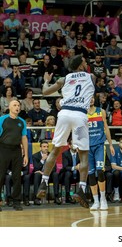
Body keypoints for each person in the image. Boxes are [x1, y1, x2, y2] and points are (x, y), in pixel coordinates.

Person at [35, 55, 95, 209]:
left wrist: (47, 80)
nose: (86, 63)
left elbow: (45, 92)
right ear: (81, 65)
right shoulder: (91, 77)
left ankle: (44, 182)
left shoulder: (64, 78)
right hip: (80, 116)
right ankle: (81, 189)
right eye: (85, 62)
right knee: (83, 154)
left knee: (55, 150)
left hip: (64, 114)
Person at [0, 100, 28, 211]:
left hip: (16, 150)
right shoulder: (2, 119)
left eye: (18, 105)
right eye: (14, 105)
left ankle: (16, 202)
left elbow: (24, 138)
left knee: (17, 177)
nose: (17, 107)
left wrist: (26, 155)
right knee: (0, 176)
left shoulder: (22, 121)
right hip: (3, 149)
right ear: (9, 107)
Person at [88, 97, 115, 210]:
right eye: (88, 98)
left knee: (100, 171)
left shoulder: (101, 111)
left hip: (99, 145)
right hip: (87, 147)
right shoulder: (82, 113)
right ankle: (96, 201)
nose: (91, 100)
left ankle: (103, 199)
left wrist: (111, 144)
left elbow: (106, 128)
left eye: (92, 98)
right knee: (90, 174)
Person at [32, 141, 61, 205]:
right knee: (37, 174)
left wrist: (45, 172)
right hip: (40, 175)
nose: (46, 148)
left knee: (55, 174)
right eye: (44, 147)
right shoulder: (35, 156)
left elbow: (54, 168)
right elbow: (36, 168)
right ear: (40, 148)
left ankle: (56, 197)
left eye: (47, 147)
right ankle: (37, 198)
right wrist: (42, 160)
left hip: (49, 175)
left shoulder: (51, 155)